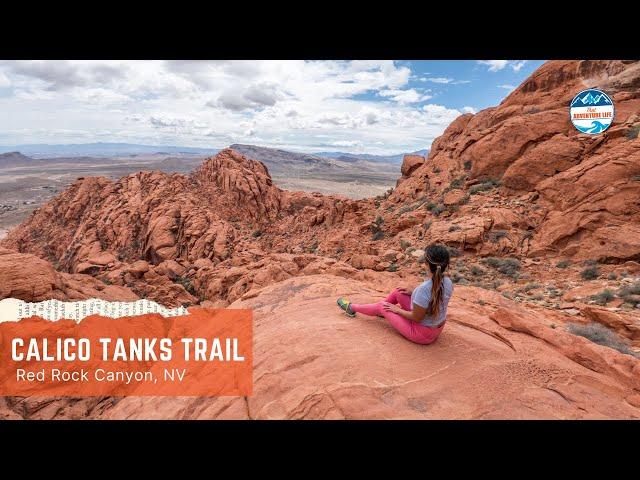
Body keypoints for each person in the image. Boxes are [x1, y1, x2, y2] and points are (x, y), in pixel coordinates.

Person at [336, 243, 453, 345]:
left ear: (426, 264)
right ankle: (380, 312)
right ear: (445, 266)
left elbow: (416, 318)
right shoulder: (447, 281)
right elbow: (433, 295)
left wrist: (396, 310)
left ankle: (352, 308)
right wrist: (413, 292)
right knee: (399, 292)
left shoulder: (423, 289)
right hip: (436, 327)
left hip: (422, 333)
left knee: (383, 306)